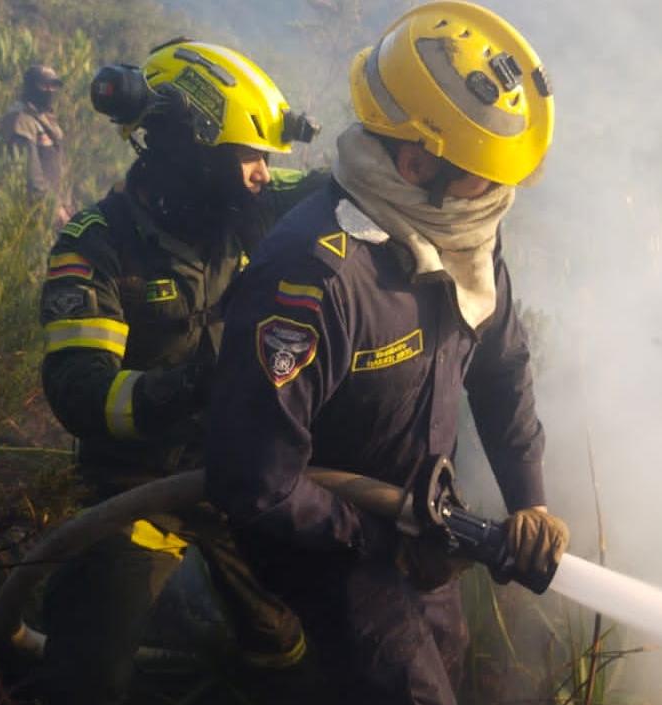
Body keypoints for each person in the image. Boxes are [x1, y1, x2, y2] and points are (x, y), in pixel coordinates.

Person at [204, 3, 569, 703]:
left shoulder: (465, 244)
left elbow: (502, 372)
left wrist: (532, 501)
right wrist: (381, 538)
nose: (498, 195)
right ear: (413, 159)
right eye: (481, 175)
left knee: (448, 663)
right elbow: (254, 479)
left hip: (413, 538)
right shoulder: (319, 275)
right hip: (320, 547)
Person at [35, 38, 326, 704]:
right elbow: (79, 393)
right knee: (89, 676)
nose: (262, 173)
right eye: (249, 156)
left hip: (244, 478)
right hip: (133, 489)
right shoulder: (97, 245)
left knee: (290, 658)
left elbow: (334, 188)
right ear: (189, 150)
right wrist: (193, 386)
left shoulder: (248, 209)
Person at [0, 65, 73, 227]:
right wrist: (54, 210)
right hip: (33, 215)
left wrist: (65, 206)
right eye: (44, 85)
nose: (49, 90)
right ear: (32, 87)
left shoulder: (45, 119)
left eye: (53, 85)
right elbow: (31, 174)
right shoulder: (21, 121)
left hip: (54, 210)